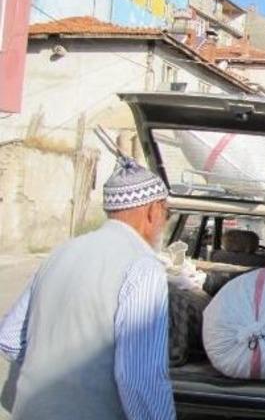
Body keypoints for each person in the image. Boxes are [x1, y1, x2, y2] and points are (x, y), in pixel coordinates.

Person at [0, 155, 176, 420]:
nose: (164, 221)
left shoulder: (61, 252)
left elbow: (10, 338)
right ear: (152, 211)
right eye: (166, 213)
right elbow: (139, 377)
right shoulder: (142, 267)